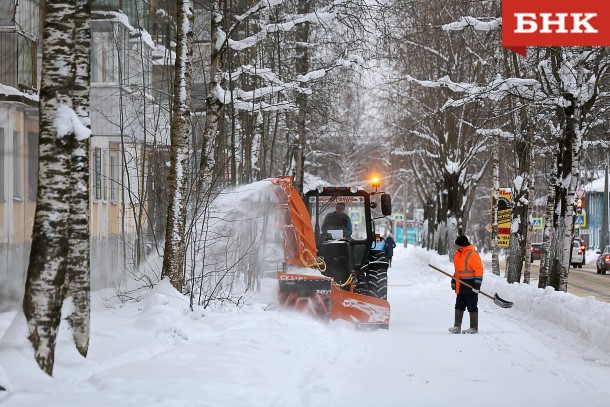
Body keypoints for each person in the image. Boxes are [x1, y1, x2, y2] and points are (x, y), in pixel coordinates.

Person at [449, 235, 484, 334]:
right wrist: (453, 280)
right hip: (461, 285)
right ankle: (457, 326)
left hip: (471, 285)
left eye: (457, 245)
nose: (455, 247)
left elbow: (479, 270)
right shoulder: (457, 254)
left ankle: (474, 327)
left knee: (471, 305)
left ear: (462, 245)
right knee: (459, 305)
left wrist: (477, 285)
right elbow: (458, 270)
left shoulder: (472, 254)